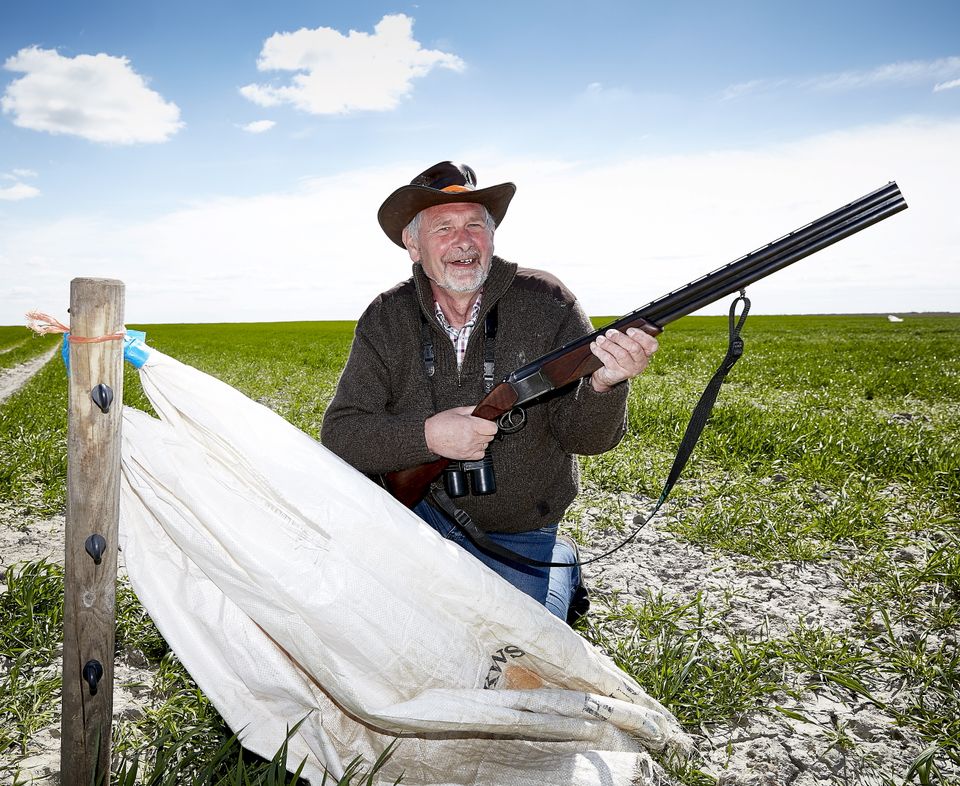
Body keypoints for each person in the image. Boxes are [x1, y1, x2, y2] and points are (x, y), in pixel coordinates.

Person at [320, 161, 658, 623]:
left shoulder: (547, 300)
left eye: (475, 225)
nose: (463, 241)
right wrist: (429, 438)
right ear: (413, 245)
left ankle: (561, 567)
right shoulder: (386, 316)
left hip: (520, 530)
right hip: (413, 519)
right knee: (372, 627)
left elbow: (587, 440)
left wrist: (604, 384)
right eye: (443, 228)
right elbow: (342, 432)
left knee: (520, 654)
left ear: (492, 235)